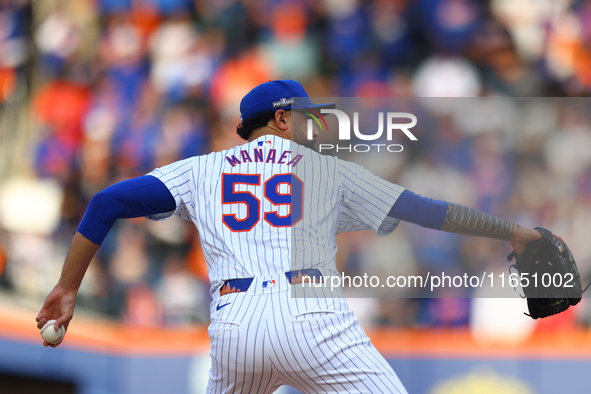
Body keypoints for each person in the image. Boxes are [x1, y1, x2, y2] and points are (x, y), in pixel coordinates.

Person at [36, 79, 542, 393]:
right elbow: (424, 210)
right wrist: (512, 230)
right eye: (306, 116)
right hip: (315, 322)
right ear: (281, 119)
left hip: (237, 329)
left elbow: (106, 203)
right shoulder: (328, 170)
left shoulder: (202, 170)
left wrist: (68, 286)